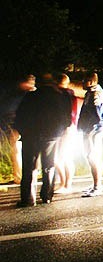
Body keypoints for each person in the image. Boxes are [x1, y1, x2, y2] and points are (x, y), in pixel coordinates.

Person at [13, 74, 71, 207]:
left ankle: (28, 199)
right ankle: (47, 196)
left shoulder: (30, 96)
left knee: (30, 167)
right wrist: (60, 132)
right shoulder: (60, 97)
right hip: (52, 135)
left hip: (31, 135)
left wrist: (22, 131)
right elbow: (66, 118)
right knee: (49, 166)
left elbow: (20, 115)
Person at [78, 72, 103, 198]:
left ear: (90, 82)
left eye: (84, 80)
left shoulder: (95, 95)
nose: (82, 83)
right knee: (92, 157)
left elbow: (97, 117)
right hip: (93, 130)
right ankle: (96, 184)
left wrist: (90, 133)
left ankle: (97, 186)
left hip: (93, 131)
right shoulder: (92, 93)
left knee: (93, 157)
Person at [0, 74, 36, 184]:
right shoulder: (18, 94)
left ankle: (22, 176)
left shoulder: (30, 95)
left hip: (20, 124)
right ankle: (18, 175)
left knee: (21, 151)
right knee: (16, 150)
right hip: (14, 123)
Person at [54, 74, 79, 193]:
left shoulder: (62, 95)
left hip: (66, 128)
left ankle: (66, 184)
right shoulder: (71, 94)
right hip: (69, 127)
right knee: (62, 157)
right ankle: (64, 183)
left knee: (62, 157)